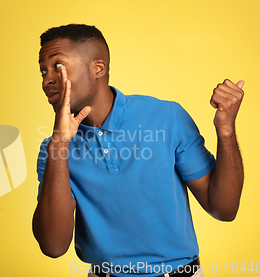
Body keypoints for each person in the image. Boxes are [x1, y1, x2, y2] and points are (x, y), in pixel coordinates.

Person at [32, 24, 244, 277]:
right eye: (43, 70)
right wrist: (60, 143)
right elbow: (53, 246)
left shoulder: (166, 117)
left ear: (97, 68)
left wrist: (226, 131)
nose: (47, 79)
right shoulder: (54, 150)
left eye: (58, 66)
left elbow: (224, 209)